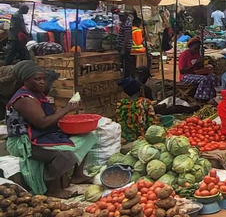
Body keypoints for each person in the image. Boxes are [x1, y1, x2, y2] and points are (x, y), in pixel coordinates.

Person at [6, 61, 96, 197]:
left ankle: (78, 175)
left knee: (88, 137)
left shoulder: (38, 94)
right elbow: (42, 122)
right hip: (24, 141)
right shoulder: (24, 98)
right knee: (63, 155)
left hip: (42, 134)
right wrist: (67, 109)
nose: (42, 82)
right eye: (37, 79)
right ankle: (53, 189)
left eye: (43, 79)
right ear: (25, 80)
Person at [115, 76, 157, 141]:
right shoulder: (145, 102)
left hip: (125, 139)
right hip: (142, 139)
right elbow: (152, 123)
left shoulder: (121, 104)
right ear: (140, 89)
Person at [178, 37, 217, 101]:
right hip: (185, 76)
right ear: (190, 47)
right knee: (204, 79)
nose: (196, 50)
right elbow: (182, 71)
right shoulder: (184, 55)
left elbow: (198, 67)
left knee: (212, 77)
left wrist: (201, 63)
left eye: (198, 49)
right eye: (195, 48)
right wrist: (195, 65)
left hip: (195, 74)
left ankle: (211, 96)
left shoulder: (197, 54)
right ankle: (200, 97)